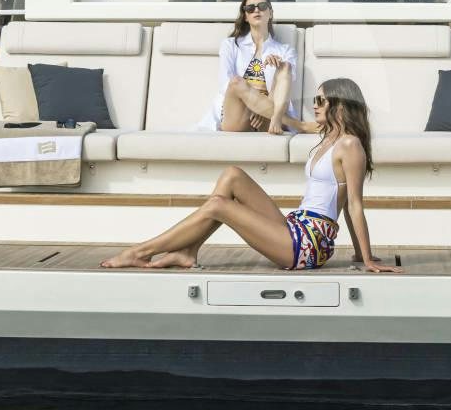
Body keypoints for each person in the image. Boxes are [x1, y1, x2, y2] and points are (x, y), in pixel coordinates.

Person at [104, 77, 399, 273]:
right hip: (295, 226)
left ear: (340, 105)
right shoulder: (326, 133)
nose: (314, 105)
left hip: (308, 245)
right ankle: (188, 251)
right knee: (232, 176)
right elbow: (288, 119)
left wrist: (367, 258)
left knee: (219, 206)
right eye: (315, 99)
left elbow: (354, 204)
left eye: (320, 101)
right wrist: (270, 90)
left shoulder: (350, 145)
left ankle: (140, 251)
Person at [203, 0, 298, 134]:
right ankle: (300, 125)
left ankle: (277, 118)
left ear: (270, 13)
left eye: (262, 6)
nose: (257, 10)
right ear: (246, 16)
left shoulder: (285, 51)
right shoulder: (230, 45)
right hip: (237, 115)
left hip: (270, 119)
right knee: (235, 82)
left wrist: (278, 67)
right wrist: (255, 106)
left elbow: (288, 84)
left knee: (285, 67)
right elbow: (225, 84)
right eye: (250, 8)